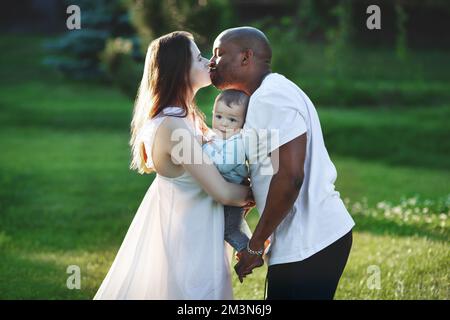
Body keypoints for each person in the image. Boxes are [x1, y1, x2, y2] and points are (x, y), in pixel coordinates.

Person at [94, 31, 254, 300]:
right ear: (179, 70)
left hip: (198, 234)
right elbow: (223, 192)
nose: (208, 62)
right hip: (186, 246)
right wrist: (270, 192)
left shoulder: (187, 118)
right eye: (198, 57)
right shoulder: (172, 127)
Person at [209, 26, 355, 300]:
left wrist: (254, 247)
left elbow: (290, 177)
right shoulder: (269, 92)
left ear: (245, 57)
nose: (211, 62)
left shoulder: (270, 97)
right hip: (311, 239)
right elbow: (272, 173)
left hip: (310, 242)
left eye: (218, 54)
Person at [203, 90, 264, 270]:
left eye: (232, 120)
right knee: (230, 225)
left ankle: (250, 252)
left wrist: (202, 151)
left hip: (233, 194)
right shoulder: (218, 138)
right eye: (219, 116)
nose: (223, 123)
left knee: (230, 230)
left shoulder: (238, 142)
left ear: (243, 124)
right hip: (225, 190)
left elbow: (223, 166)